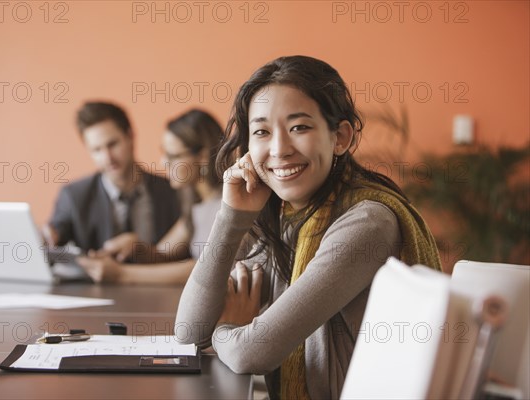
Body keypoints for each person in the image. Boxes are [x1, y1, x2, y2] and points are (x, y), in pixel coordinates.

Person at [175, 56, 442, 399]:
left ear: (341, 137)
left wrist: (229, 328)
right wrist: (231, 215)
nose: (279, 149)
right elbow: (187, 332)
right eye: (261, 132)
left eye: (299, 127)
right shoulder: (281, 219)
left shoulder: (367, 223)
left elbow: (251, 351)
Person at [76, 109, 225, 284]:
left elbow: (206, 268)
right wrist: (136, 248)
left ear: (202, 156)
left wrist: (121, 274)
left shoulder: (228, 205)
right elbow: (162, 253)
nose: (163, 162)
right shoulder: (196, 203)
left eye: (173, 156)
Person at [45, 101, 181, 263]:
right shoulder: (74, 195)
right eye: (97, 150)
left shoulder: (172, 191)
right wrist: (49, 237)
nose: (107, 158)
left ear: (130, 136)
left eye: (113, 144)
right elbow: (56, 234)